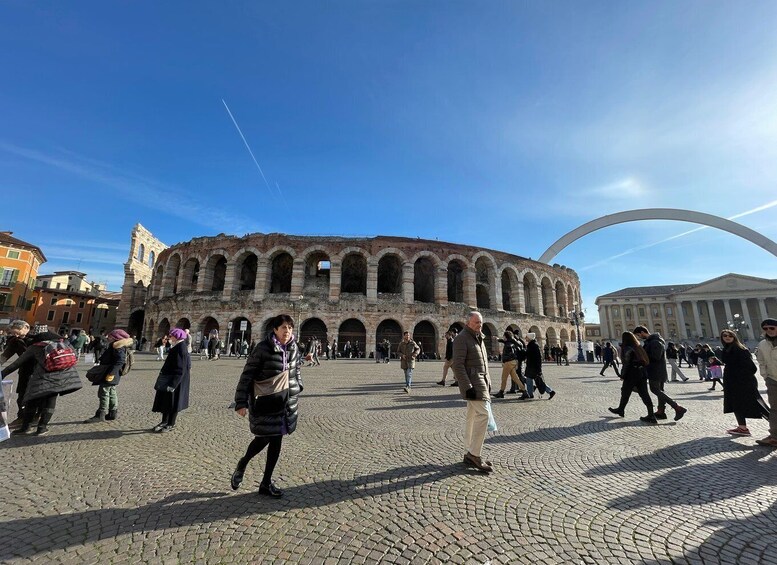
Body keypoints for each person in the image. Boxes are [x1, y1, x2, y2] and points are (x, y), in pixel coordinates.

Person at [231, 314, 307, 498]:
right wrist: (241, 402)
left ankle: (266, 483)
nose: (287, 331)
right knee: (262, 439)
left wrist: (298, 385)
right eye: (283, 328)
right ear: (275, 330)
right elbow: (247, 375)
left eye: (289, 328)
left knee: (276, 442)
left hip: (285, 403)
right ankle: (243, 463)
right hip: (265, 402)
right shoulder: (263, 348)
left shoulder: (293, 347)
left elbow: (296, 370)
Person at [1, 330, 82, 436]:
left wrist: (2, 374)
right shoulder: (65, 344)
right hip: (61, 378)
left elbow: (16, 364)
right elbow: (75, 358)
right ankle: (42, 428)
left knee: (31, 401)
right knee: (50, 402)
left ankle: (26, 428)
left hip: (41, 378)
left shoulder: (36, 346)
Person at [452, 311, 493, 473]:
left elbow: (484, 363)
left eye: (481, 322)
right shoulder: (461, 338)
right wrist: (467, 386)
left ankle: (469, 451)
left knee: (473, 417)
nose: (479, 325)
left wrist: (488, 381)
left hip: (481, 382)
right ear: (468, 322)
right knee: (483, 415)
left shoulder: (479, 337)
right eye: (476, 322)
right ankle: (474, 454)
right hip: (473, 384)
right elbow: (458, 365)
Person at [719, 329, 769, 437]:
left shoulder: (739, 349)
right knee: (736, 405)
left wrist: (739, 378)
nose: (727, 337)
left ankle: (774, 424)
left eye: (730, 336)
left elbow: (751, 368)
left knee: (757, 404)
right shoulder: (727, 349)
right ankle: (742, 428)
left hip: (742, 383)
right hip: (733, 382)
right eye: (725, 336)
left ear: (734, 337)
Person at [634, 326, 687, 421]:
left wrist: (643, 356)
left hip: (655, 370)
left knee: (655, 390)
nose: (639, 337)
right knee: (659, 390)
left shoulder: (655, 342)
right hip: (658, 370)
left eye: (638, 335)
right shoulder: (653, 341)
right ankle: (661, 411)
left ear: (642, 332)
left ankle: (677, 408)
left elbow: (656, 356)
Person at [83, 329, 133, 423]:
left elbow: (120, 361)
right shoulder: (116, 345)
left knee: (104, 393)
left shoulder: (117, 347)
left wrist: (111, 374)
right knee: (111, 392)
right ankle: (112, 413)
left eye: (110, 336)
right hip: (112, 373)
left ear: (115, 338)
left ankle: (101, 414)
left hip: (110, 373)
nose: (108, 337)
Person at [608, 331, 655, 422]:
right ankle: (651, 414)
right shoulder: (638, 347)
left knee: (625, 391)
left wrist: (623, 375)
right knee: (644, 393)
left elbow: (627, 363)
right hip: (642, 372)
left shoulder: (627, 348)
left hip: (632, 373)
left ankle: (621, 409)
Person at [150, 328, 191, 433]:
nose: (169, 338)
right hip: (170, 378)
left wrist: (173, 384)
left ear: (176, 337)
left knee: (173, 403)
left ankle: (171, 423)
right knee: (166, 402)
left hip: (175, 381)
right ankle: (164, 421)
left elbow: (181, 368)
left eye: (171, 336)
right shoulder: (177, 347)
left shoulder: (181, 348)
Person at [0, 320, 33, 428]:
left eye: (17, 332)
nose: (16, 335)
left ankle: (35, 417)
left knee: (37, 394)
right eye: (13, 333)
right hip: (24, 370)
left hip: (38, 370)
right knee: (21, 395)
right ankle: (21, 417)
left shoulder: (35, 338)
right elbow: (5, 356)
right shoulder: (15, 341)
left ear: (26, 328)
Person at [755, 318, 777, 447]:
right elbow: (761, 361)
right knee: (774, 409)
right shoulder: (762, 344)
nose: (769, 330)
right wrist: (765, 376)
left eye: (772, 328)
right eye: (765, 328)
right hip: (772, 379)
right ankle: (774, 436)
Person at [521, 333, 556, 400]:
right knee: (534, 381)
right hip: (532, 366)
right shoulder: (531, 345)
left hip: (533, 367)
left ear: (530, 338)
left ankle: (531, 394)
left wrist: (539, 368)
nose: (525, 338)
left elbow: (538, 358)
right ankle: (549, 391)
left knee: (536, 381)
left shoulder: (534, 345)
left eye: (527, 337)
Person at [493, 331, 527, 398]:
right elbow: (503, 341)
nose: (503, 337)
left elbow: (511, 354)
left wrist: (505, 360)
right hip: (512, 362)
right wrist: (497, 339)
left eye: (504, 336)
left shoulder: (509, 345)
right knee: (515, 378)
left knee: (504, 378)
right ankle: (524, 391)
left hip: (508, 363)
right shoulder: (510, 342)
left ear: (506, 336)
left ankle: (501, 392)